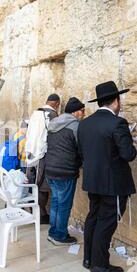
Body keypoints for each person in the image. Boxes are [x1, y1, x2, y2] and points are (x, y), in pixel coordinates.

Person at [78, 81, 137, 272]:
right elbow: (128, 154)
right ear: (116, 101)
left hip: (93, 181)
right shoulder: (118, 123)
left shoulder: (85, 123)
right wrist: (128, 138)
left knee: (93, 218)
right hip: (113, 184)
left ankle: (88, 259)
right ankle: (100, 264)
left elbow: (83, 152)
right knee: (106, 223)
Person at [45, 97, 85, 245]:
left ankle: (53, 232)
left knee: (56, 201)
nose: (84, 114)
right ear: (76, 112)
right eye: (82, 111)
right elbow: (80, 148)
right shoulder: (75, 126)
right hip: (65, 171)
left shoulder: (54, 123)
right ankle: (60, 236)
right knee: (64, 205)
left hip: (50, 169)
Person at [25, 94, 61, 224]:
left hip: (31, 153)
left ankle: (35, 211)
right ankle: (40, 214)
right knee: (42, 186)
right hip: (43, 155)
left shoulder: (36, 113)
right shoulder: (51, 115)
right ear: (57, 104)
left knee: (33, 183)